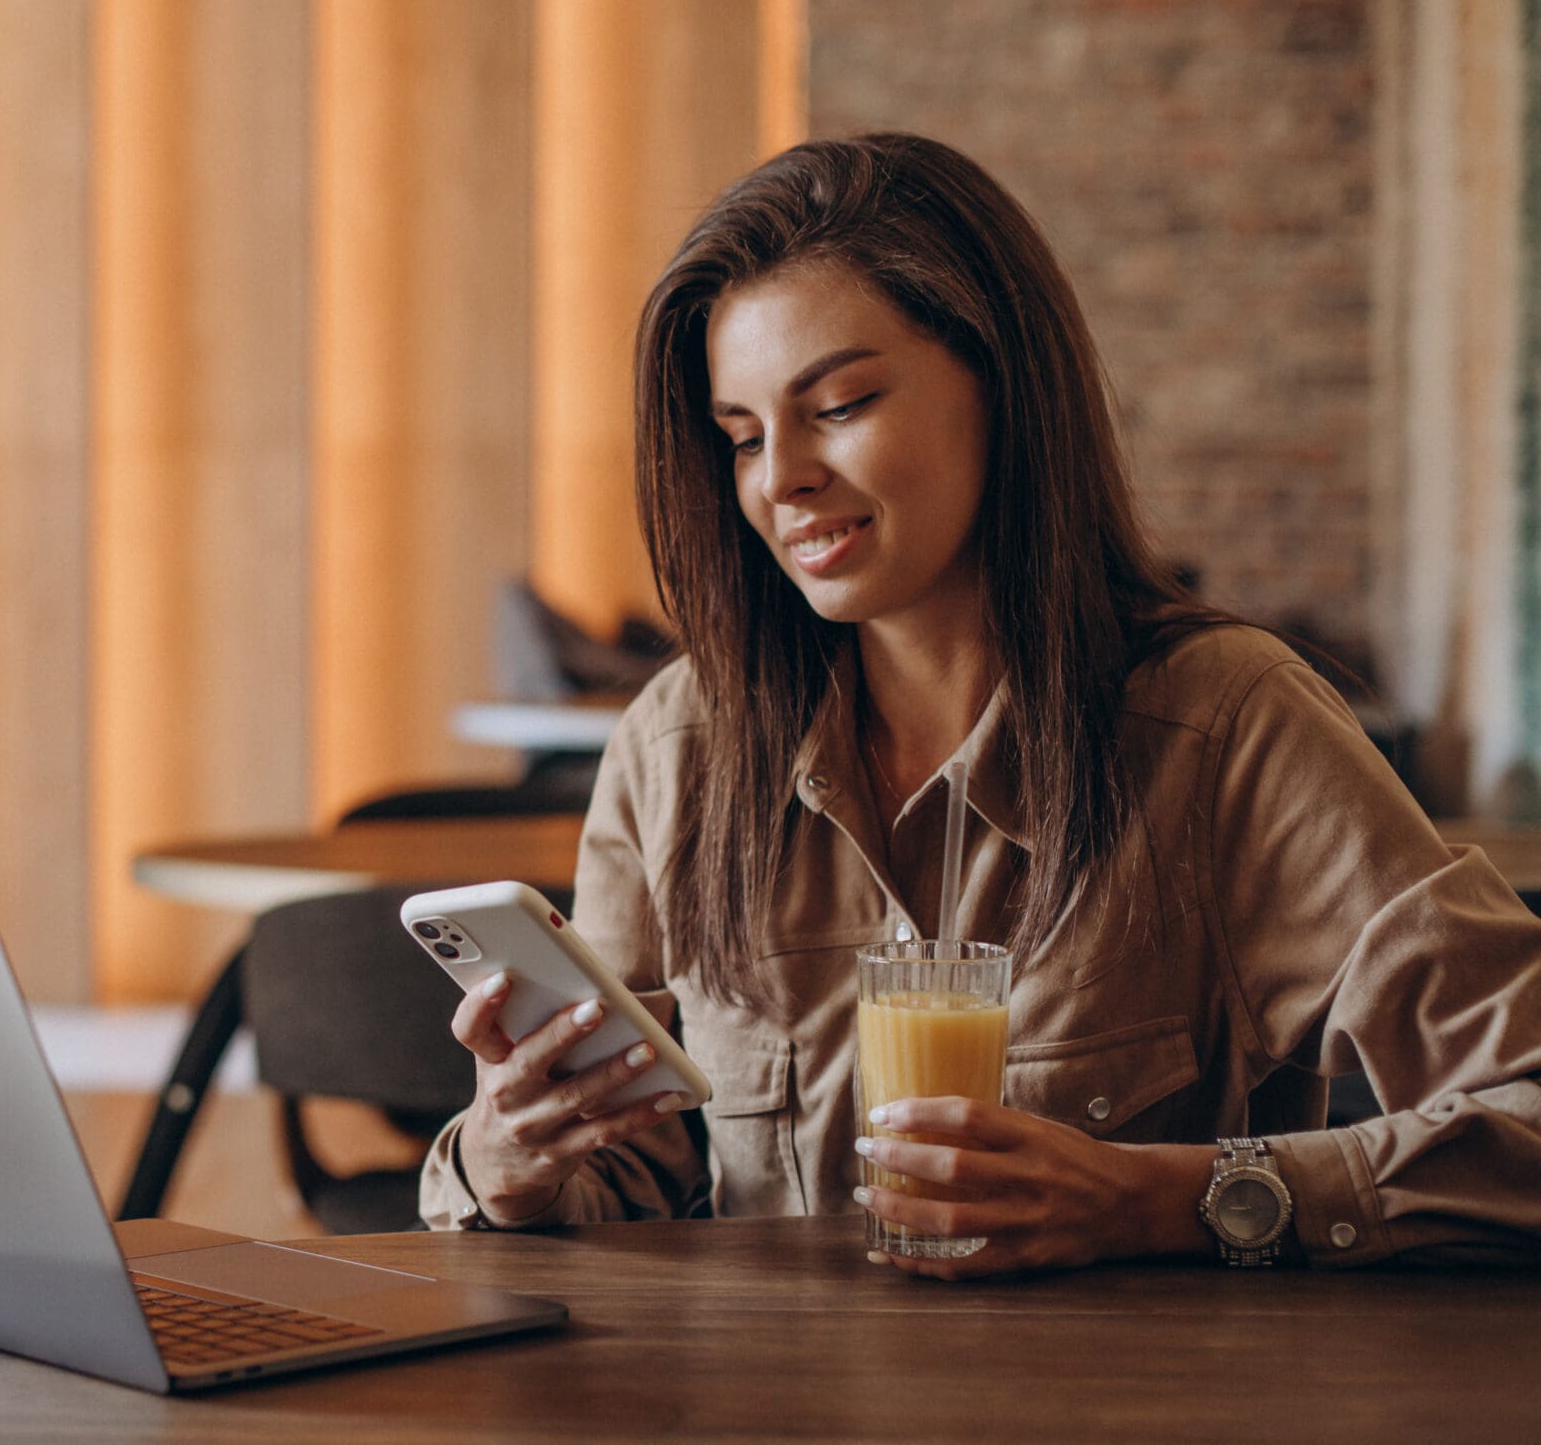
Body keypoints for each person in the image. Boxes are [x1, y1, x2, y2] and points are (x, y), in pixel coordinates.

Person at [419, 132, 1541, 1272]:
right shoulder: (676, 747)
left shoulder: (1222, 725)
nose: (781, 477)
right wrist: (512, 1160)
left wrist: (1168, 1198)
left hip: (1126, 1435)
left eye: (841, 403)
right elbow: (629, 1186)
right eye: (743, 437)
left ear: (999, 386)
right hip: (769, 1436)